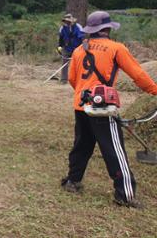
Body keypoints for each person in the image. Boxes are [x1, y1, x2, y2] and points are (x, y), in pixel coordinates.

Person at [61, 11, 157, 209]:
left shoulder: (80, 49)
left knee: (82, 144)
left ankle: (73, 181)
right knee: (114, 151)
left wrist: (82, 93)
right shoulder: (116, 48)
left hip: (81, 105)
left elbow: (72, 78)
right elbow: (138, 74)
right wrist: (154, 90)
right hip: (102, 108)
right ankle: (125, 195)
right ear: (107, 29)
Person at [57, 13, 85, 83]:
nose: (67, 22)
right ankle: (64, 79)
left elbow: (82, 38)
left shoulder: (78, 27)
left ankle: (79, 79)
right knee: (64, 62)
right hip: (67, 48)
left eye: (68, 21)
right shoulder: (62, 28)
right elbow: (61, 39)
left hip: (77, 48)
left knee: (79, 64)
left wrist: (83, 48)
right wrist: (59, 47)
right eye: (65, 21)